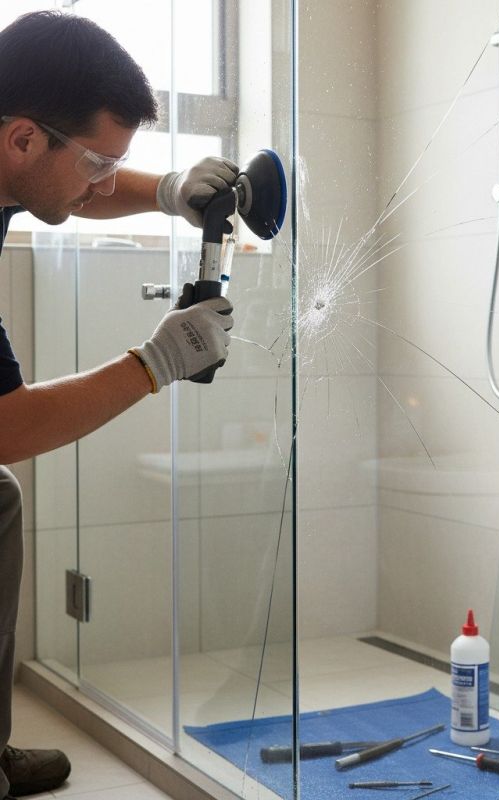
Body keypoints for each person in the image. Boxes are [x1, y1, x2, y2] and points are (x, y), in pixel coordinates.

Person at [0, 11, 241, 798]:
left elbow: (69, 195)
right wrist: (158, 362)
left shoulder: (12, 161)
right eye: (100, 159)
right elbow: (4, 428)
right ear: (25, 139)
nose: (107, 180)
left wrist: (170, 191)